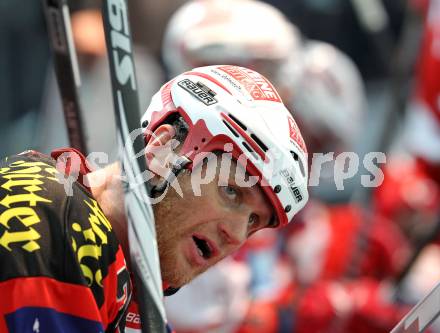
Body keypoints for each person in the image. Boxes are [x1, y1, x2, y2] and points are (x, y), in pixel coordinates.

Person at [0, 65, 309, 332]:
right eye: (231, 191)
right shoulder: (52, 215)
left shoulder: (134, 293)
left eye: (255, 220)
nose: (238, 234)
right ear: (162, 148)